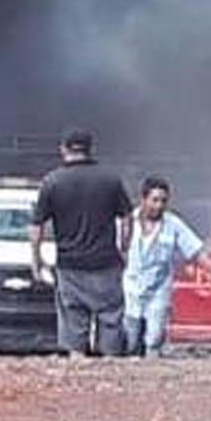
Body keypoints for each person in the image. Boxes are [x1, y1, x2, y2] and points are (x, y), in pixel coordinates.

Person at [30, 129, 132, 358]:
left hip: (70, 266)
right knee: (111, 319)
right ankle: (111, 374)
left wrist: (36, 262)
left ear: (64, 149)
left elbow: (36, 227)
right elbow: (127, 217)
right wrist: (124, 248)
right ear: (89, 149)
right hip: (106, 263)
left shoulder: (52, 181)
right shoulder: (110, 179)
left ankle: (78, 379)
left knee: (74, 325)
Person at [121, 177, 211, 358]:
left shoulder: (173, 224)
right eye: (155, 200)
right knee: (130, 340)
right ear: (144, 199)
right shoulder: (126, 222)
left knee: (154, 339)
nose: (159, 205)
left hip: (158, 290)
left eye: (163, 201)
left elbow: (195, 251)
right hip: (130, 290)